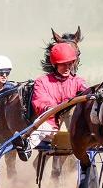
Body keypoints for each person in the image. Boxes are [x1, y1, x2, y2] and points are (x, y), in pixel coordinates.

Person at [27, 43, 88, 177]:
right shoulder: (42, 82)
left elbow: (87, 91)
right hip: (50, 123)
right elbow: (40, 100)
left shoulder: (78, 81)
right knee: (41, 125)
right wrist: (51, 108)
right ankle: (26, 146)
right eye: (63, 64)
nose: (67, 67)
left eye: (69, 63)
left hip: (71, 127)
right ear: (55, 64)